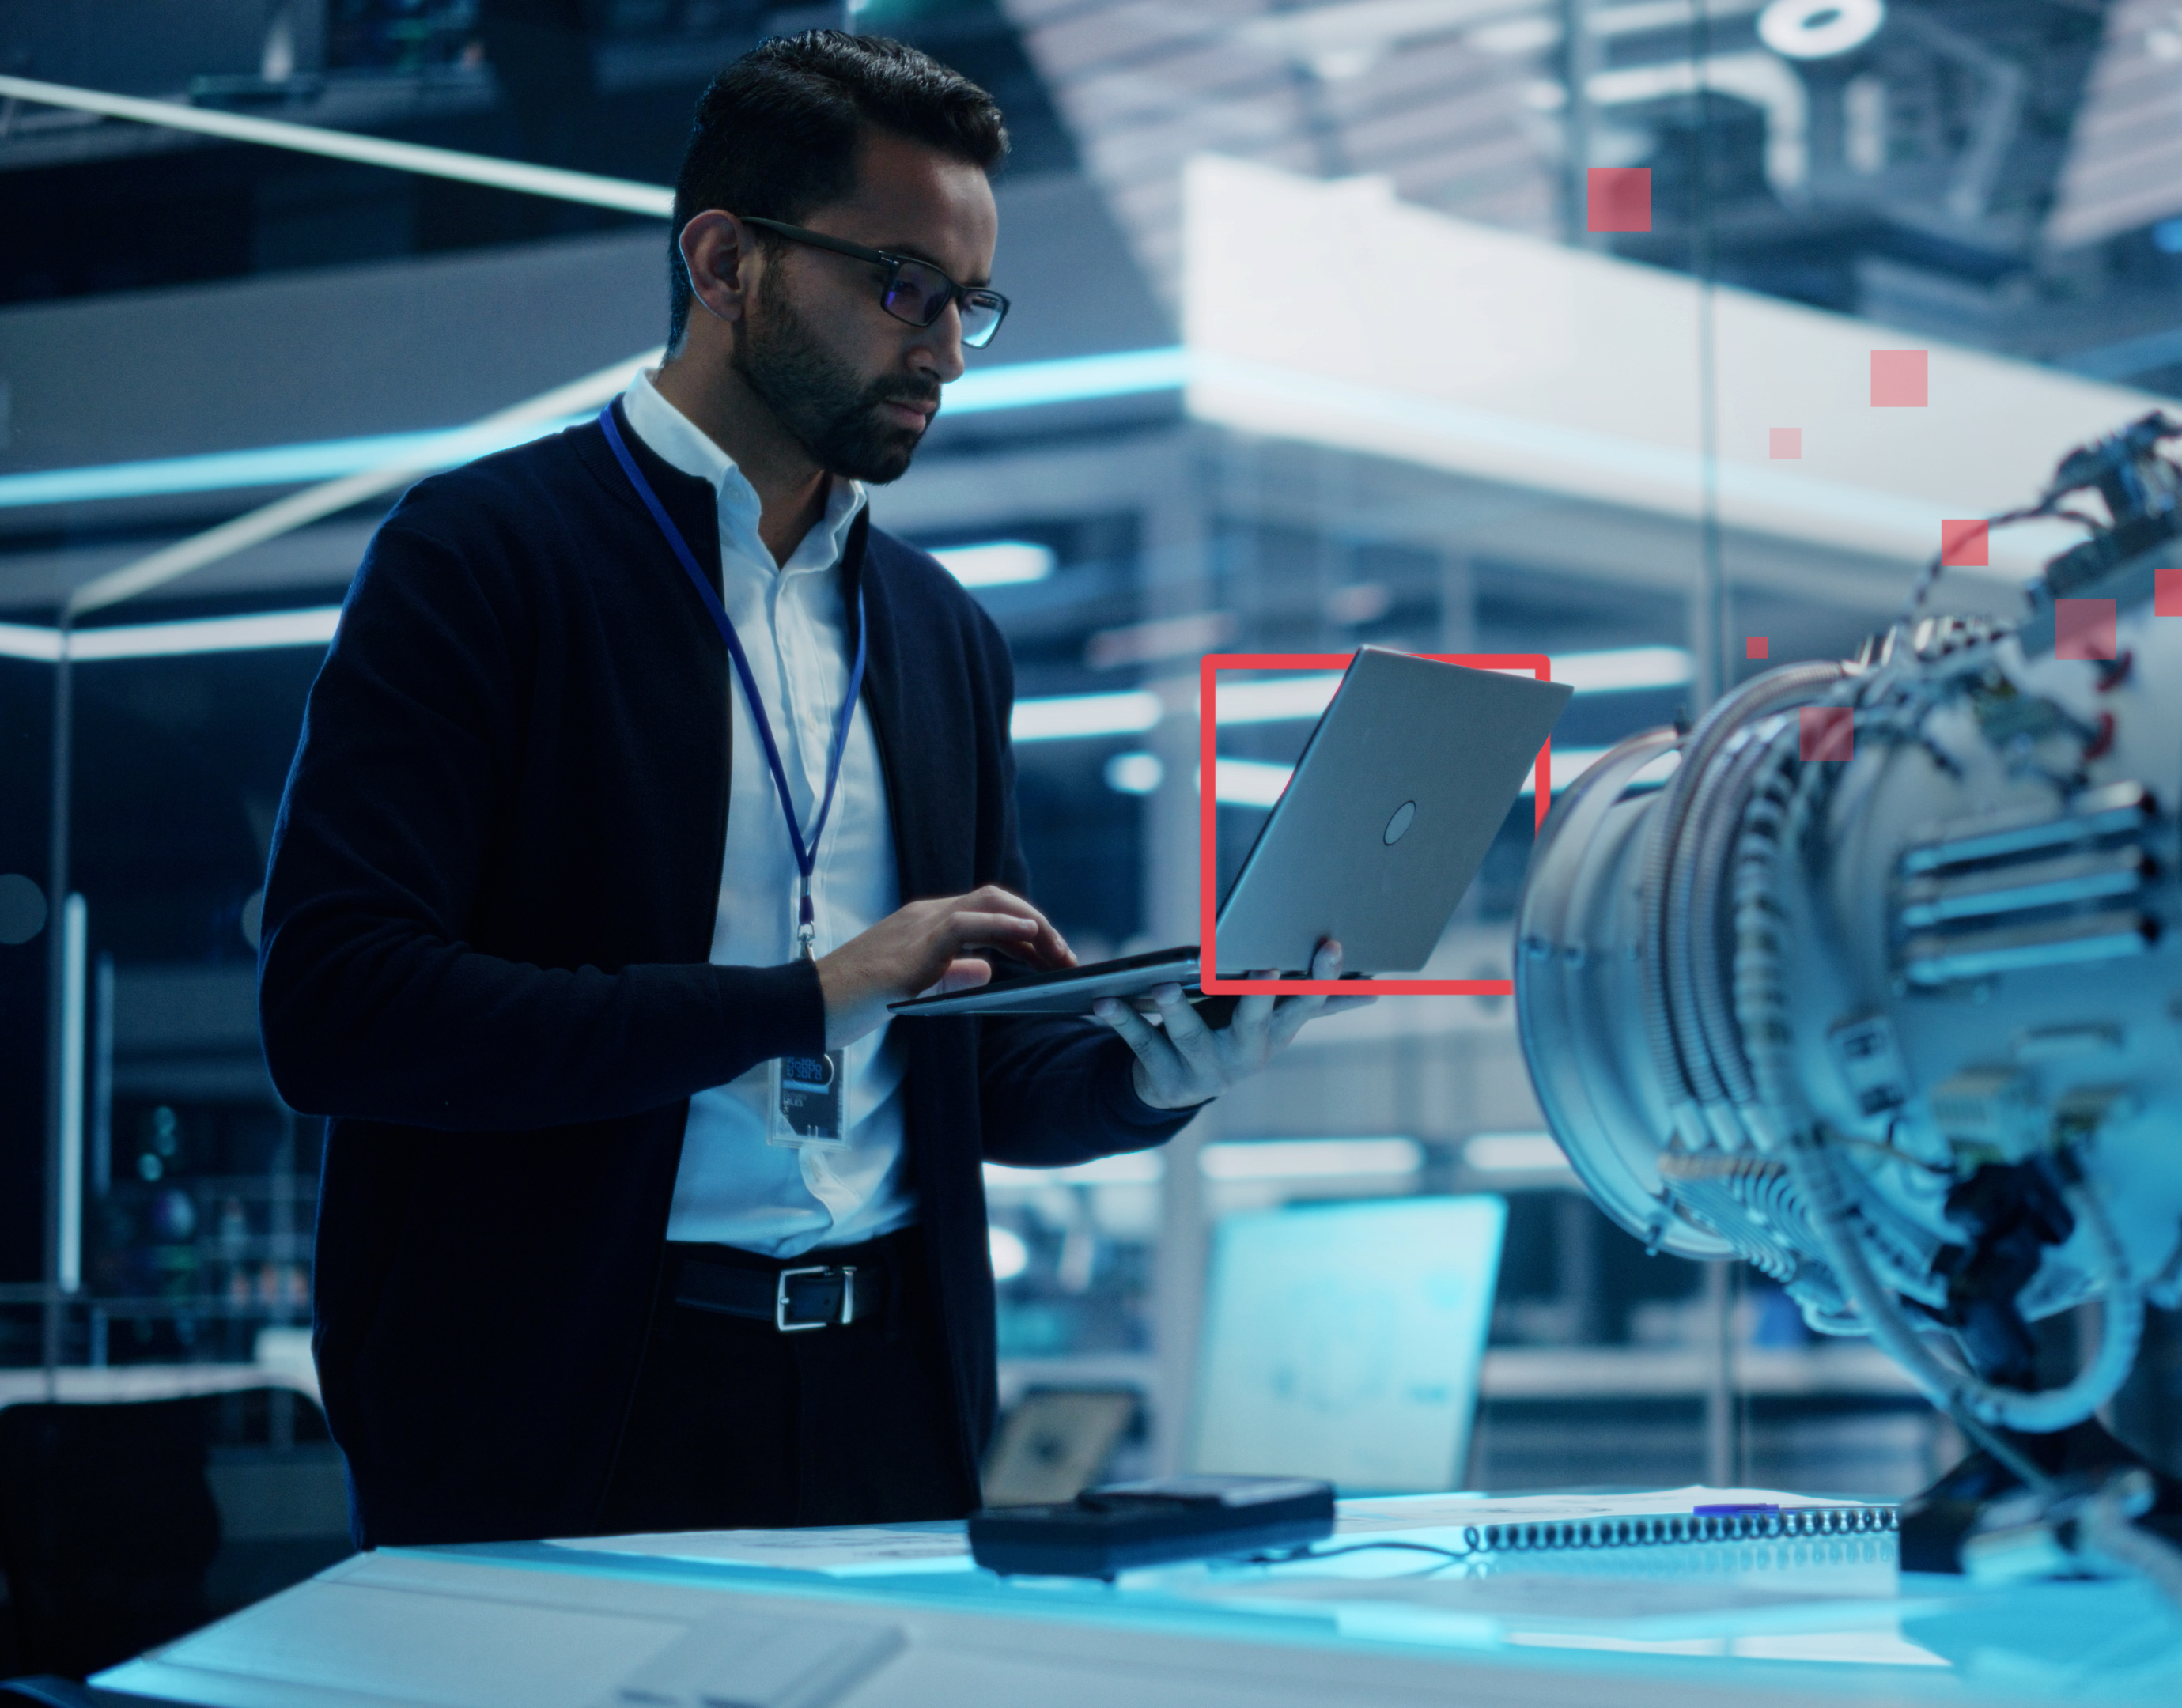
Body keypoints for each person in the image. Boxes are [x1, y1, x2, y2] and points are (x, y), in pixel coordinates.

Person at [256, 31, 1363, 1548]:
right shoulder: (482, 558)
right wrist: (805, 995)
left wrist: (1154, 1073)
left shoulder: (940, 633)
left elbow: (955, 1075)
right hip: (570, 1403)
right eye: (904, 287)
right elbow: (341, 1010)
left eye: (971, 303)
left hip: (888, 1401)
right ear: (726, 264)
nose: (948, 353)